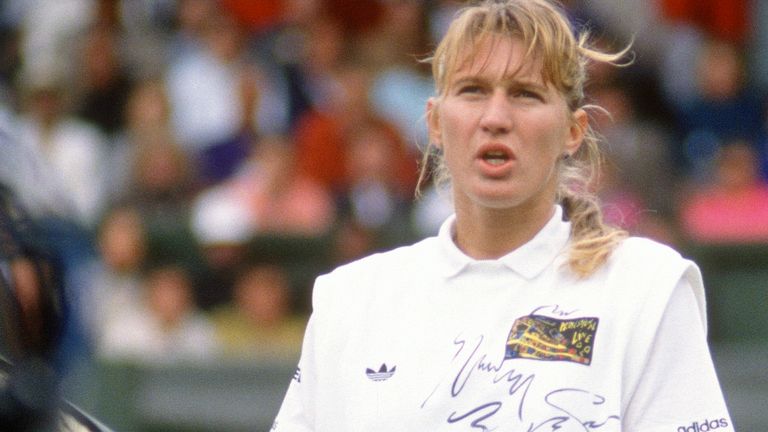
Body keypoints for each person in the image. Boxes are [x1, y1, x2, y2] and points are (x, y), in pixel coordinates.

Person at [272, 1, 733, 431]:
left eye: (525, 94)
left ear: (573, 131)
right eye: (473, 91)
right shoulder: (350, 300)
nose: (495, 117)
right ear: (435, 123)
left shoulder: (645, 289)